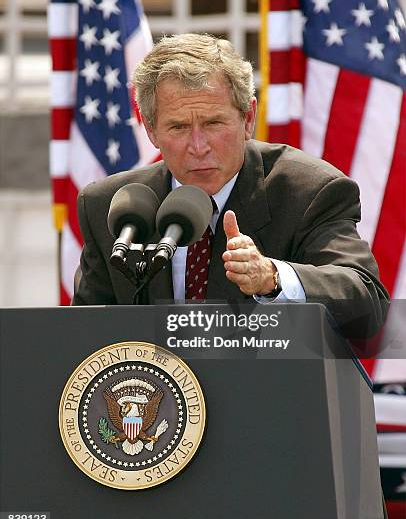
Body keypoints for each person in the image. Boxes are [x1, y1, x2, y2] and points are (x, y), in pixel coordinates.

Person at [72, 33, 389, 338]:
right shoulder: (112, 207)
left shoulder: (308, 192)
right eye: (179, 127)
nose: (198, 146)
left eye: (213, 123)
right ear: (151, 130)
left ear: (248, 118)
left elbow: (368, 305)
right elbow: (82, 338)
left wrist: (272, 277)